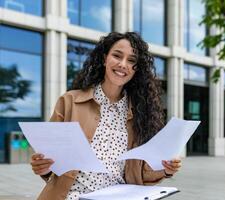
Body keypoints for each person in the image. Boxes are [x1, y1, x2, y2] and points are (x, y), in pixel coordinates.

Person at [30, 32, 182, 200]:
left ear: (136, 69)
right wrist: (43, 167)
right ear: (104, 59)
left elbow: (142, 175)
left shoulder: (141, 114)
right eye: (117, 56)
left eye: (131, 60)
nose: (123, 64)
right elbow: (50, 162)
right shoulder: (69, 101)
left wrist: (166, 169)